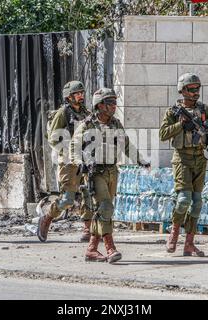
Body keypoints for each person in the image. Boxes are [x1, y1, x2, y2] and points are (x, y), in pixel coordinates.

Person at [71, 88, 148, 263]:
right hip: (94, 172)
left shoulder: (115, 124)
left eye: (114, 102)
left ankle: (91, 249)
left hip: (112, 171)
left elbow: (126, 145)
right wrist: (78, 162)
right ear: (99, 105)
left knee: (104, 211)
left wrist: (140, 160)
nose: (114, 106)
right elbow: (74, 146)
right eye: (110, 102)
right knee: (105, 208)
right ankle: (110, 248)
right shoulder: (87, 125)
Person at [159, 73, 208, 256]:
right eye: (192, 89)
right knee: (184, 199)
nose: (196, 93)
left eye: (197, 89)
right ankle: (174, 234)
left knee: (197, 202)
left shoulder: (204, 110)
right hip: (182, 158)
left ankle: (189, 243)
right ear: (183, 90)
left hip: (199, 158)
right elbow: (163, 134)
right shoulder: (173, 112)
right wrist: (180, 125)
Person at [37, 81, 93, 242]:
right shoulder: (63, 113)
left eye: (82, 93)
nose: (81, 96)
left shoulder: (86, 113)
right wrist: (69, 149)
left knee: (88, 193)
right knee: (68, 199)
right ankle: (47, 218)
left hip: (85, 160)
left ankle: (88, 229)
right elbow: (52, 138)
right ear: (69, 97)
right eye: (77, 93)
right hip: (68, 161)